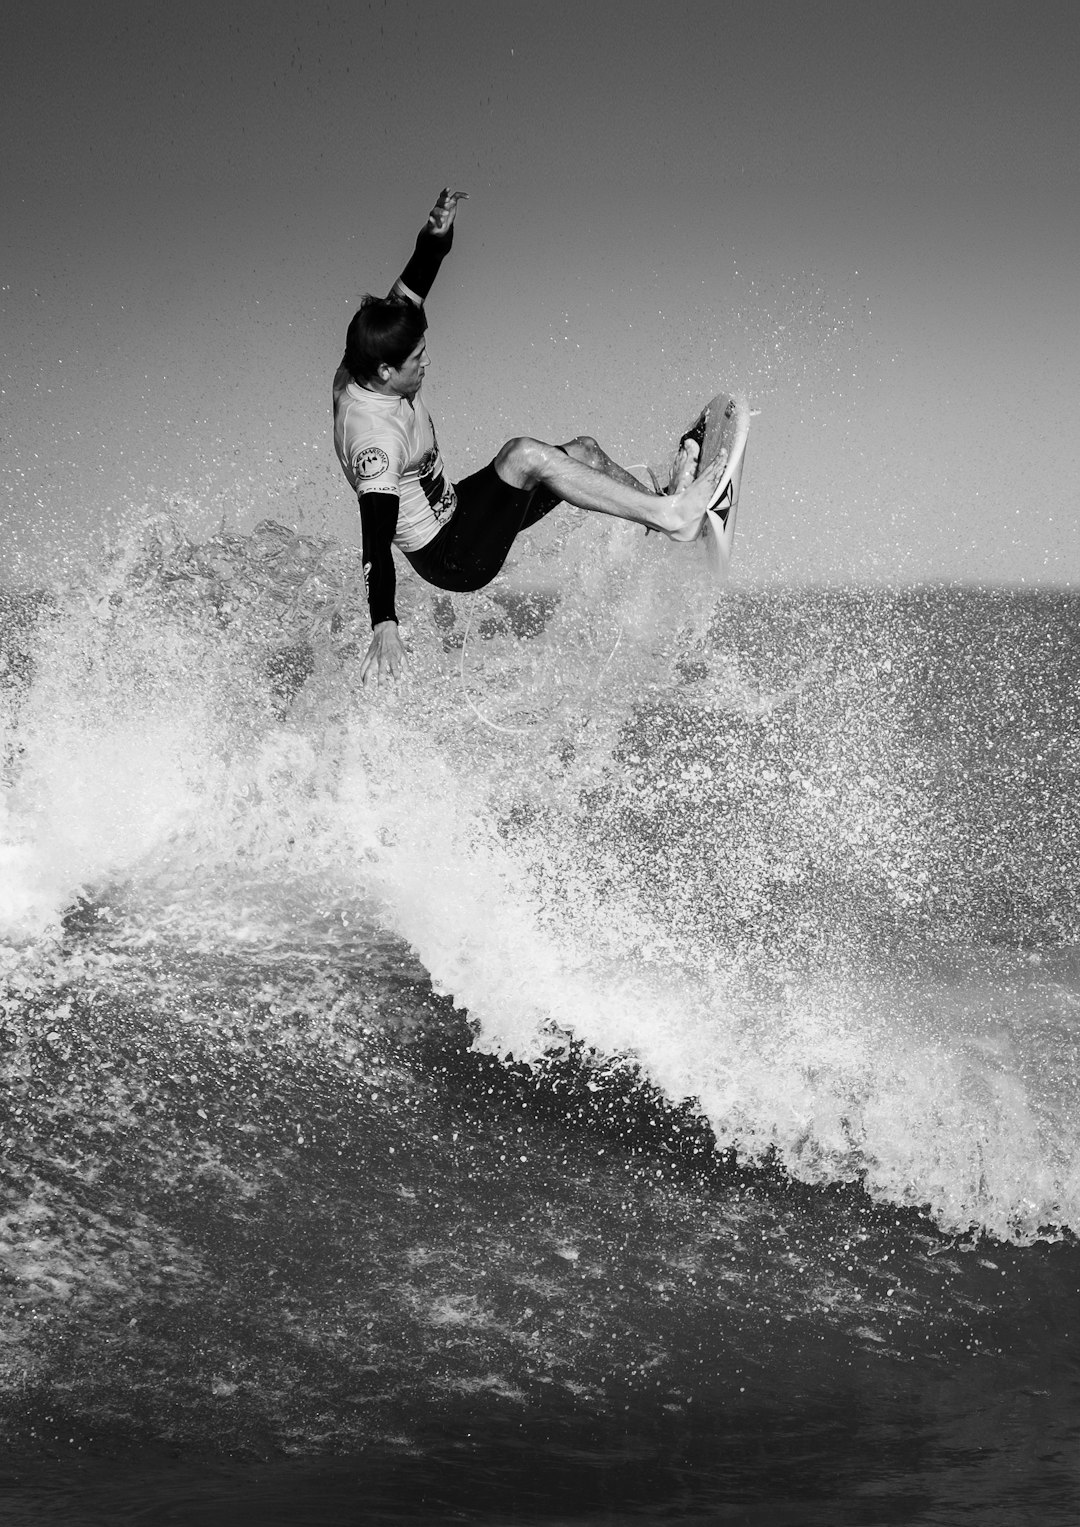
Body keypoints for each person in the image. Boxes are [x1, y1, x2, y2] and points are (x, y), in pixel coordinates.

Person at [333, 189, 726, 684]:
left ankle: (661, 512)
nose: (427, 362)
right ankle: (672, 516)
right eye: (417, 361)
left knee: (583, 453)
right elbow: (374, 538)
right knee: (523, 455)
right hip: (453, 557)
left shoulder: (370, 350)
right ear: (387, 370)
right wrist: (384, 622)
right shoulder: (374, 441)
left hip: (458, 509)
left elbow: (408, 293)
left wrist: (434, 239)